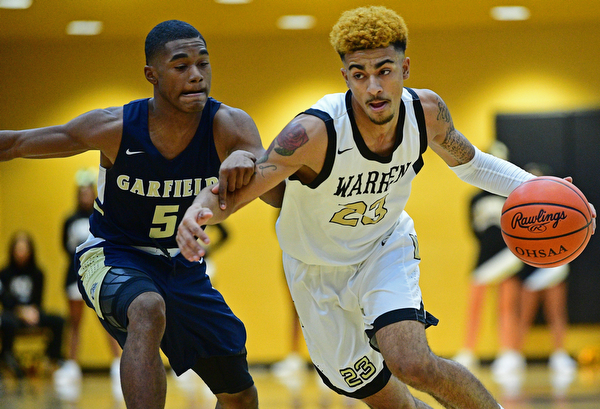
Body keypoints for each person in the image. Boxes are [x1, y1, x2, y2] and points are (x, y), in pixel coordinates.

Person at [177, 6, 596, 409]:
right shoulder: (313, 132)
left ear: (405, 69)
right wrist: (196, 215)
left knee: (411, 362)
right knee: (388, 400)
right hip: (314, 272)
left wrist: (547, 189)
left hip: (383, 248)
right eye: (359, 75)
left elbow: (473, 165)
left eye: (384, 71)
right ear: (345, 76)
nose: (373, 87)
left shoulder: (425, 112)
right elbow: (242, 188)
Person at [0, 20, 283, 409]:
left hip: (181, 269)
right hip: (114, 255)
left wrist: (246, 157)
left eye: (203, 63)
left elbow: (269, 185)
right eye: (181, 66)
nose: (196, 75)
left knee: (240, 396)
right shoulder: (115, 127)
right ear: (151, 74)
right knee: (147, 308)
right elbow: (17, 143)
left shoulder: (229, 125)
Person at [453, 141, 524, 372]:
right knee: (475, 304)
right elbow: (472, 229)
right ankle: (468, 350)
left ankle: (508, 352)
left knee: (507, 306)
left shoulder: (515, 196)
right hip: (483, 255)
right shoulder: (474, 198)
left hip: (507, 255)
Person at [56, 169, 122, 400]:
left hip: (99, 275)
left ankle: (117, 365)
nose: (84, 196)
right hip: (74, 276)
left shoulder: (101, 215)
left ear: (93, 193)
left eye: (88, 192)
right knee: (74, 323)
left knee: (107, 321)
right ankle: (71, 365)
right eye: (81, 192)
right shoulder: (69, 220)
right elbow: (65, 247)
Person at [0, 231, 66, 380]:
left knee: (58, 320)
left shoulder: (37, 273)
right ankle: (7, 358)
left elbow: (38, 300)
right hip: (13, 314)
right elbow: (6, 302)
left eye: (24, 249)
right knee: (6, 322)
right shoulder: (4, 273)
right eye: (18, 249)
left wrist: (32, 312)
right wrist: (21, 311)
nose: (21, 253)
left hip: (32, 313)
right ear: (13, 251)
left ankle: (53, 358)